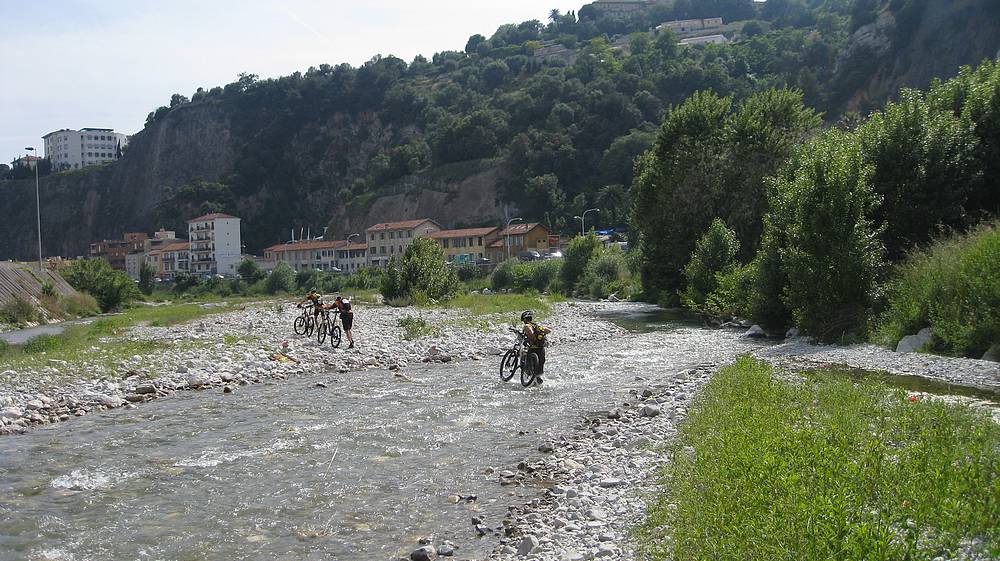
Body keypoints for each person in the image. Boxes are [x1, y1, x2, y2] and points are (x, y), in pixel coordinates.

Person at [520, 310, 550, 384]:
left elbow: (531, 334)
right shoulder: (536, 326)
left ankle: (528, 378)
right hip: (541, 348)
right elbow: (548, 330)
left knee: (525, 358)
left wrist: (529, 339)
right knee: (539, 366)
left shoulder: (527, 326)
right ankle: (537, 379)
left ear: (524, 319)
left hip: (533, 348)